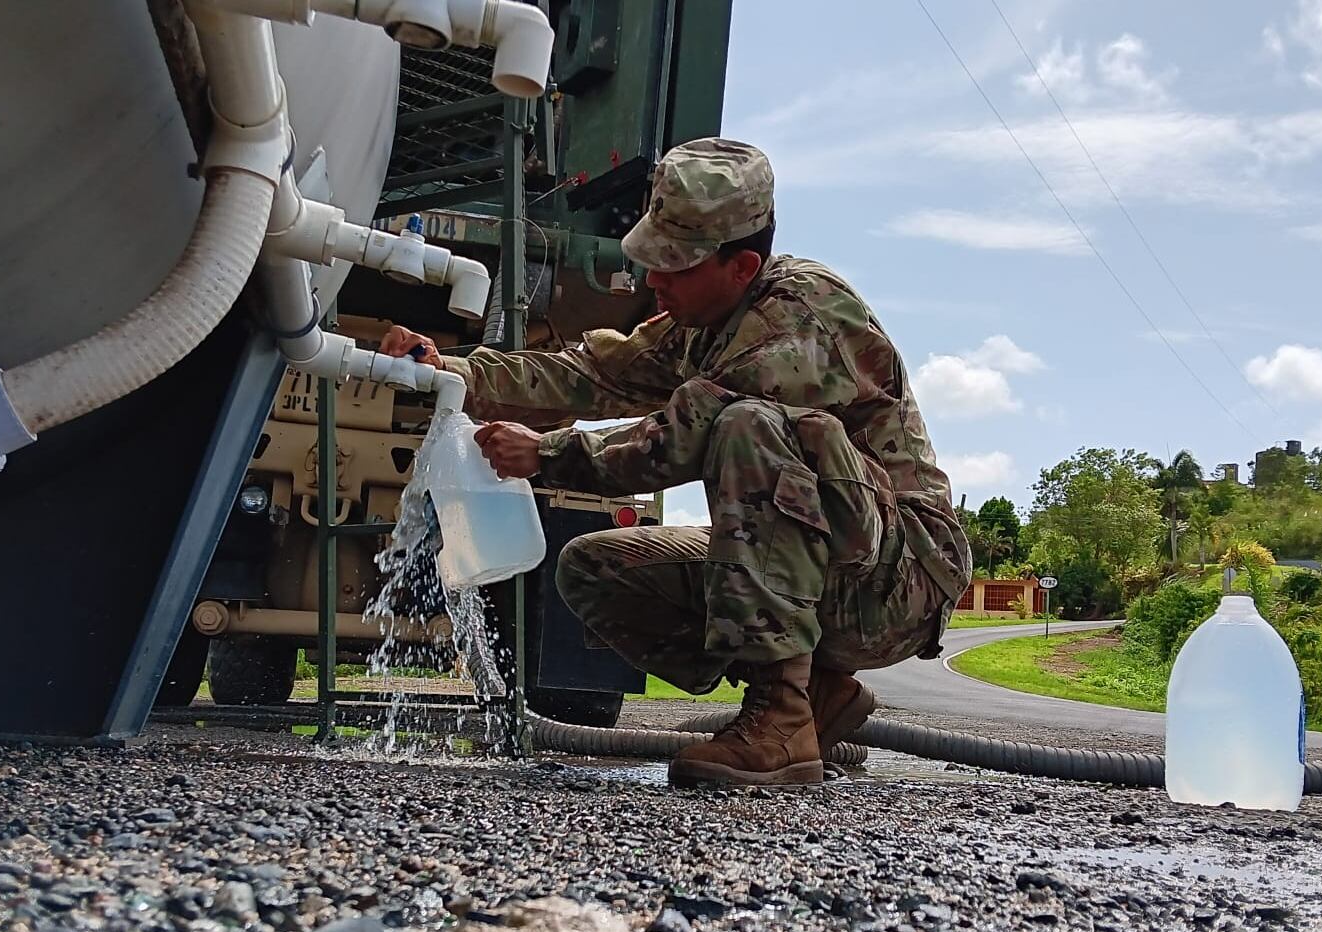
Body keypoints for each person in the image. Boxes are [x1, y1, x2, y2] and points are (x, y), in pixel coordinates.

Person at [379, 138, 970, 787]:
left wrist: (544, 454)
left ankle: (779, 718)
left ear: (742, 265)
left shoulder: (802, 318)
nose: (653, 279)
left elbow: (680, 437)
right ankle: (815, 693)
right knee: (595, 570)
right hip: (839, 572)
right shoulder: (702, 319)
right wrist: (452, 369)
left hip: (901, 580)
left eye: (673, 264)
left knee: (749, 427)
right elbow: (587, 375)